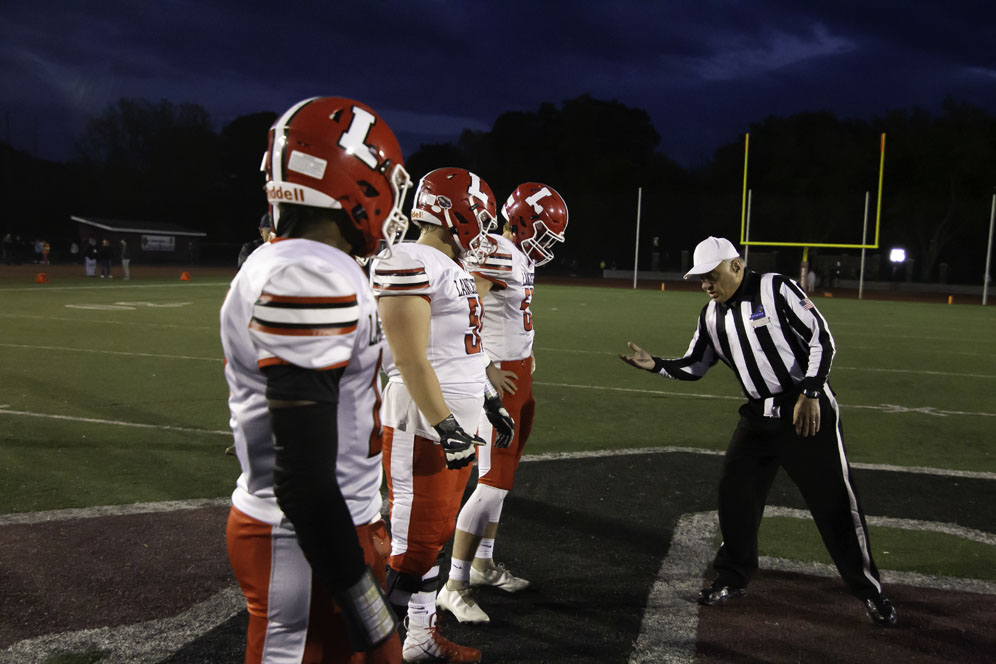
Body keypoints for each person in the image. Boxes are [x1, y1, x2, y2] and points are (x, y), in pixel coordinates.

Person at [619, 236, 898, 627]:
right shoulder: (711, 315)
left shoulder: (776, 287)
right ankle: (733, 577)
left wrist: (812, 391)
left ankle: (870, 591)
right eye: (700, 279)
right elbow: (696, 365)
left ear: (736, 266)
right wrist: (657, 365)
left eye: (711, 276)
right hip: (757, 418)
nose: (705, 286)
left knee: (833, 501)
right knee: (735, 492)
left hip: (805, 411)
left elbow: (822, 339)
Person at [220, 96, 412, 664]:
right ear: (354, 181)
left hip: (322, 527)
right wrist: (366, 606)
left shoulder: (299, 262)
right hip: (305, 537)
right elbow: (303, 477)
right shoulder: (309, 273)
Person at [373, 167, 511, 663]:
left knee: (431, 541)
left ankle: (418, 639)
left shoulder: (447, 265)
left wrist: (487, 403)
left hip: (454, 425)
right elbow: (409, 357)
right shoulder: (410, 259)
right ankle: (367, 651)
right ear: (459, 212)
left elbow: (460, 352)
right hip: (426, 428)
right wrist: (447, 424)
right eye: (481, 215)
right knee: (410, 551)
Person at [438, 182, 569, 624]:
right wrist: (488, 366)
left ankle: (482, 564)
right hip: (499, 384)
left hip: (519, 377)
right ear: (523, 221)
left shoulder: (519, 257)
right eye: (545, 233)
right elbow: (462, 309)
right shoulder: (495, 248)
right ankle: (453, 584)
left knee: (503, 480)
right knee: (490, 481)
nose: (547, 245)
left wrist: (525, 353)